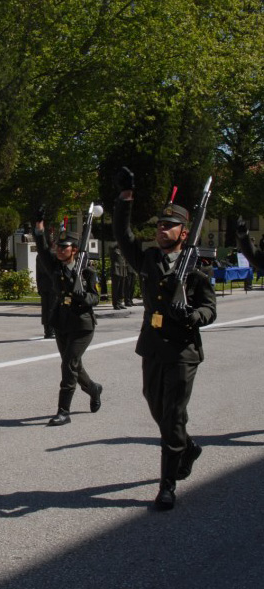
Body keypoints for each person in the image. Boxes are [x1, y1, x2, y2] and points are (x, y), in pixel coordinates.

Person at [113, 166, 217, 511]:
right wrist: (126, 197)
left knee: (172, 415)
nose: (161, 229)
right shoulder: (148, 259)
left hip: (183, 349)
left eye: (169, 225)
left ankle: (167, 486)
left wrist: (193, 316)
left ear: (184, 233)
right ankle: (187, 447)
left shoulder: (197, 268)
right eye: (159, 225)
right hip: (153, 346)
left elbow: (209, 309)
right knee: (154, 404)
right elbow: (123, 234)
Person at [33, 221, 103, 426]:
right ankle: (93, 388)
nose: (60, 250)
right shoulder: (55, 266)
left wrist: (82, 296)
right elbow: (43, 249)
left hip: (82, 325)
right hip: (62, 322)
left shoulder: (87, 272)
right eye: (59, 246)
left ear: (75, 250)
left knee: (68, 365)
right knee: (74, 365)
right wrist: (39, 230)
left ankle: (64, 411)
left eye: (64, 247)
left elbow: (95, 298)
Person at [35, 231, 57, 339]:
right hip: (53, 285)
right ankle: (51, 330)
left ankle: (47, 330)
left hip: (43, 285)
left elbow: (38, 273)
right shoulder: (53, 254)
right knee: (52, 308)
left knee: (45, 308)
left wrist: (38, 286)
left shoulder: (39, 256)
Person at [110, 244, 127, 310]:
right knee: (115, 288)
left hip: (122, 271)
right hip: (116, 271)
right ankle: (115, 304)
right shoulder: (113, 249)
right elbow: (111, 248)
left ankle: (120, 302)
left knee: (121, 288)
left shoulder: (122, 251)